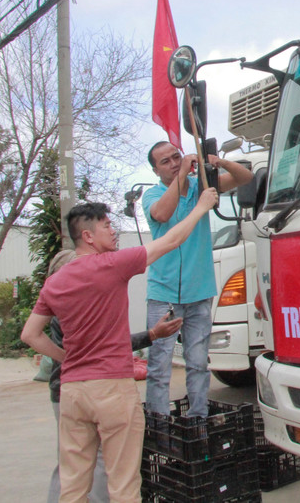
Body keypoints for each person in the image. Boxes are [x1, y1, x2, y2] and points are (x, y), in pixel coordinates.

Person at [21, 189, 217, 503]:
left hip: (72, 393)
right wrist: (201, 207)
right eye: (107, 226)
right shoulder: (112, 265)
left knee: (72, 486)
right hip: (112, 387)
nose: (113, 231)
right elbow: (170, 241)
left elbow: (30, 335)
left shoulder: (54, 282)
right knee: (123, 485)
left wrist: (67, 358)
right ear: (87, 236)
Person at [43, 249, 183, 503]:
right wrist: (151, 335)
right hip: (80, 387)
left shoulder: (61, 303)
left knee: (72, 464)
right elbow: (107, 344)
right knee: (94, 463)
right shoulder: (74, 308)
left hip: (68, 390)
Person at [142, 142, 253, 418]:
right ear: (156, 170)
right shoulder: (153, 195)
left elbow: (246, 178)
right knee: (159, 363)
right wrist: (183, 176)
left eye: (176, 157)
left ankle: (198, 416)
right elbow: (162, 214)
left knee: (198, 362)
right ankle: (159, 421)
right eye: (165, 161)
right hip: (164, 292)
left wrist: (222, 163)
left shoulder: (199, 187)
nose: (173, 163)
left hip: (199, 291)